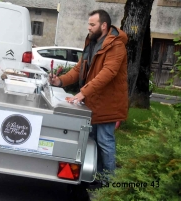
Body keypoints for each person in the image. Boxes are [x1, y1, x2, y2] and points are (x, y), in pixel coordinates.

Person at [49, 9, 128, 181]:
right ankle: (94, 177)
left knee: (105, 142)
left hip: (108, 104)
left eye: (92, 25)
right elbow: (79, 70)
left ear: (104, 26)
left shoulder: (116, 45)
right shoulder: (91, 44)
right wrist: (59, 81)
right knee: (92, 142)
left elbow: (108, 72)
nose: (89, 28)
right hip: (93, 104)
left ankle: (109, 182)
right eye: (89, 24)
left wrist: (82, 93)